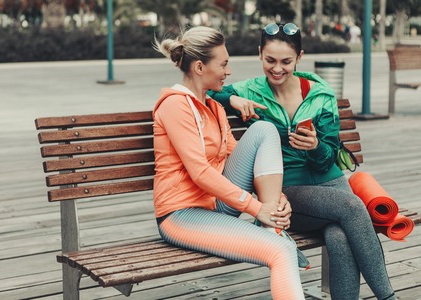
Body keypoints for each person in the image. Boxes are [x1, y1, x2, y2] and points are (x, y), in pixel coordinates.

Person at [209, 23, 396, 300]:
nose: (277, 69)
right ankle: (389, 297)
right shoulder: (250, 90)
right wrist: (232, 98)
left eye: (286, 61)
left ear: (299, 57)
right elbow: (206, 91)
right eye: (270, 60)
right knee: (352, 206)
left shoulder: (320, 93)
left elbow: (328, 159)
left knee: (338, 236)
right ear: (260, 54)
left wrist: (316, 146)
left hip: (330, 184)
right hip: (288, 192)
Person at [152, 26, 305, 300]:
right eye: (223, 64)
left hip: (217, 206)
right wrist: (257, 208)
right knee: (281, 249)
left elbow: (240, 158)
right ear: (200, 67)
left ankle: (273, 224)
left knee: (264, 130)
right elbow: (199, 172)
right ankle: (274, 230)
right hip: (181, 215)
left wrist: (276, 201)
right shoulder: (175, 106)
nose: (229, 71)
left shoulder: (214, 107)